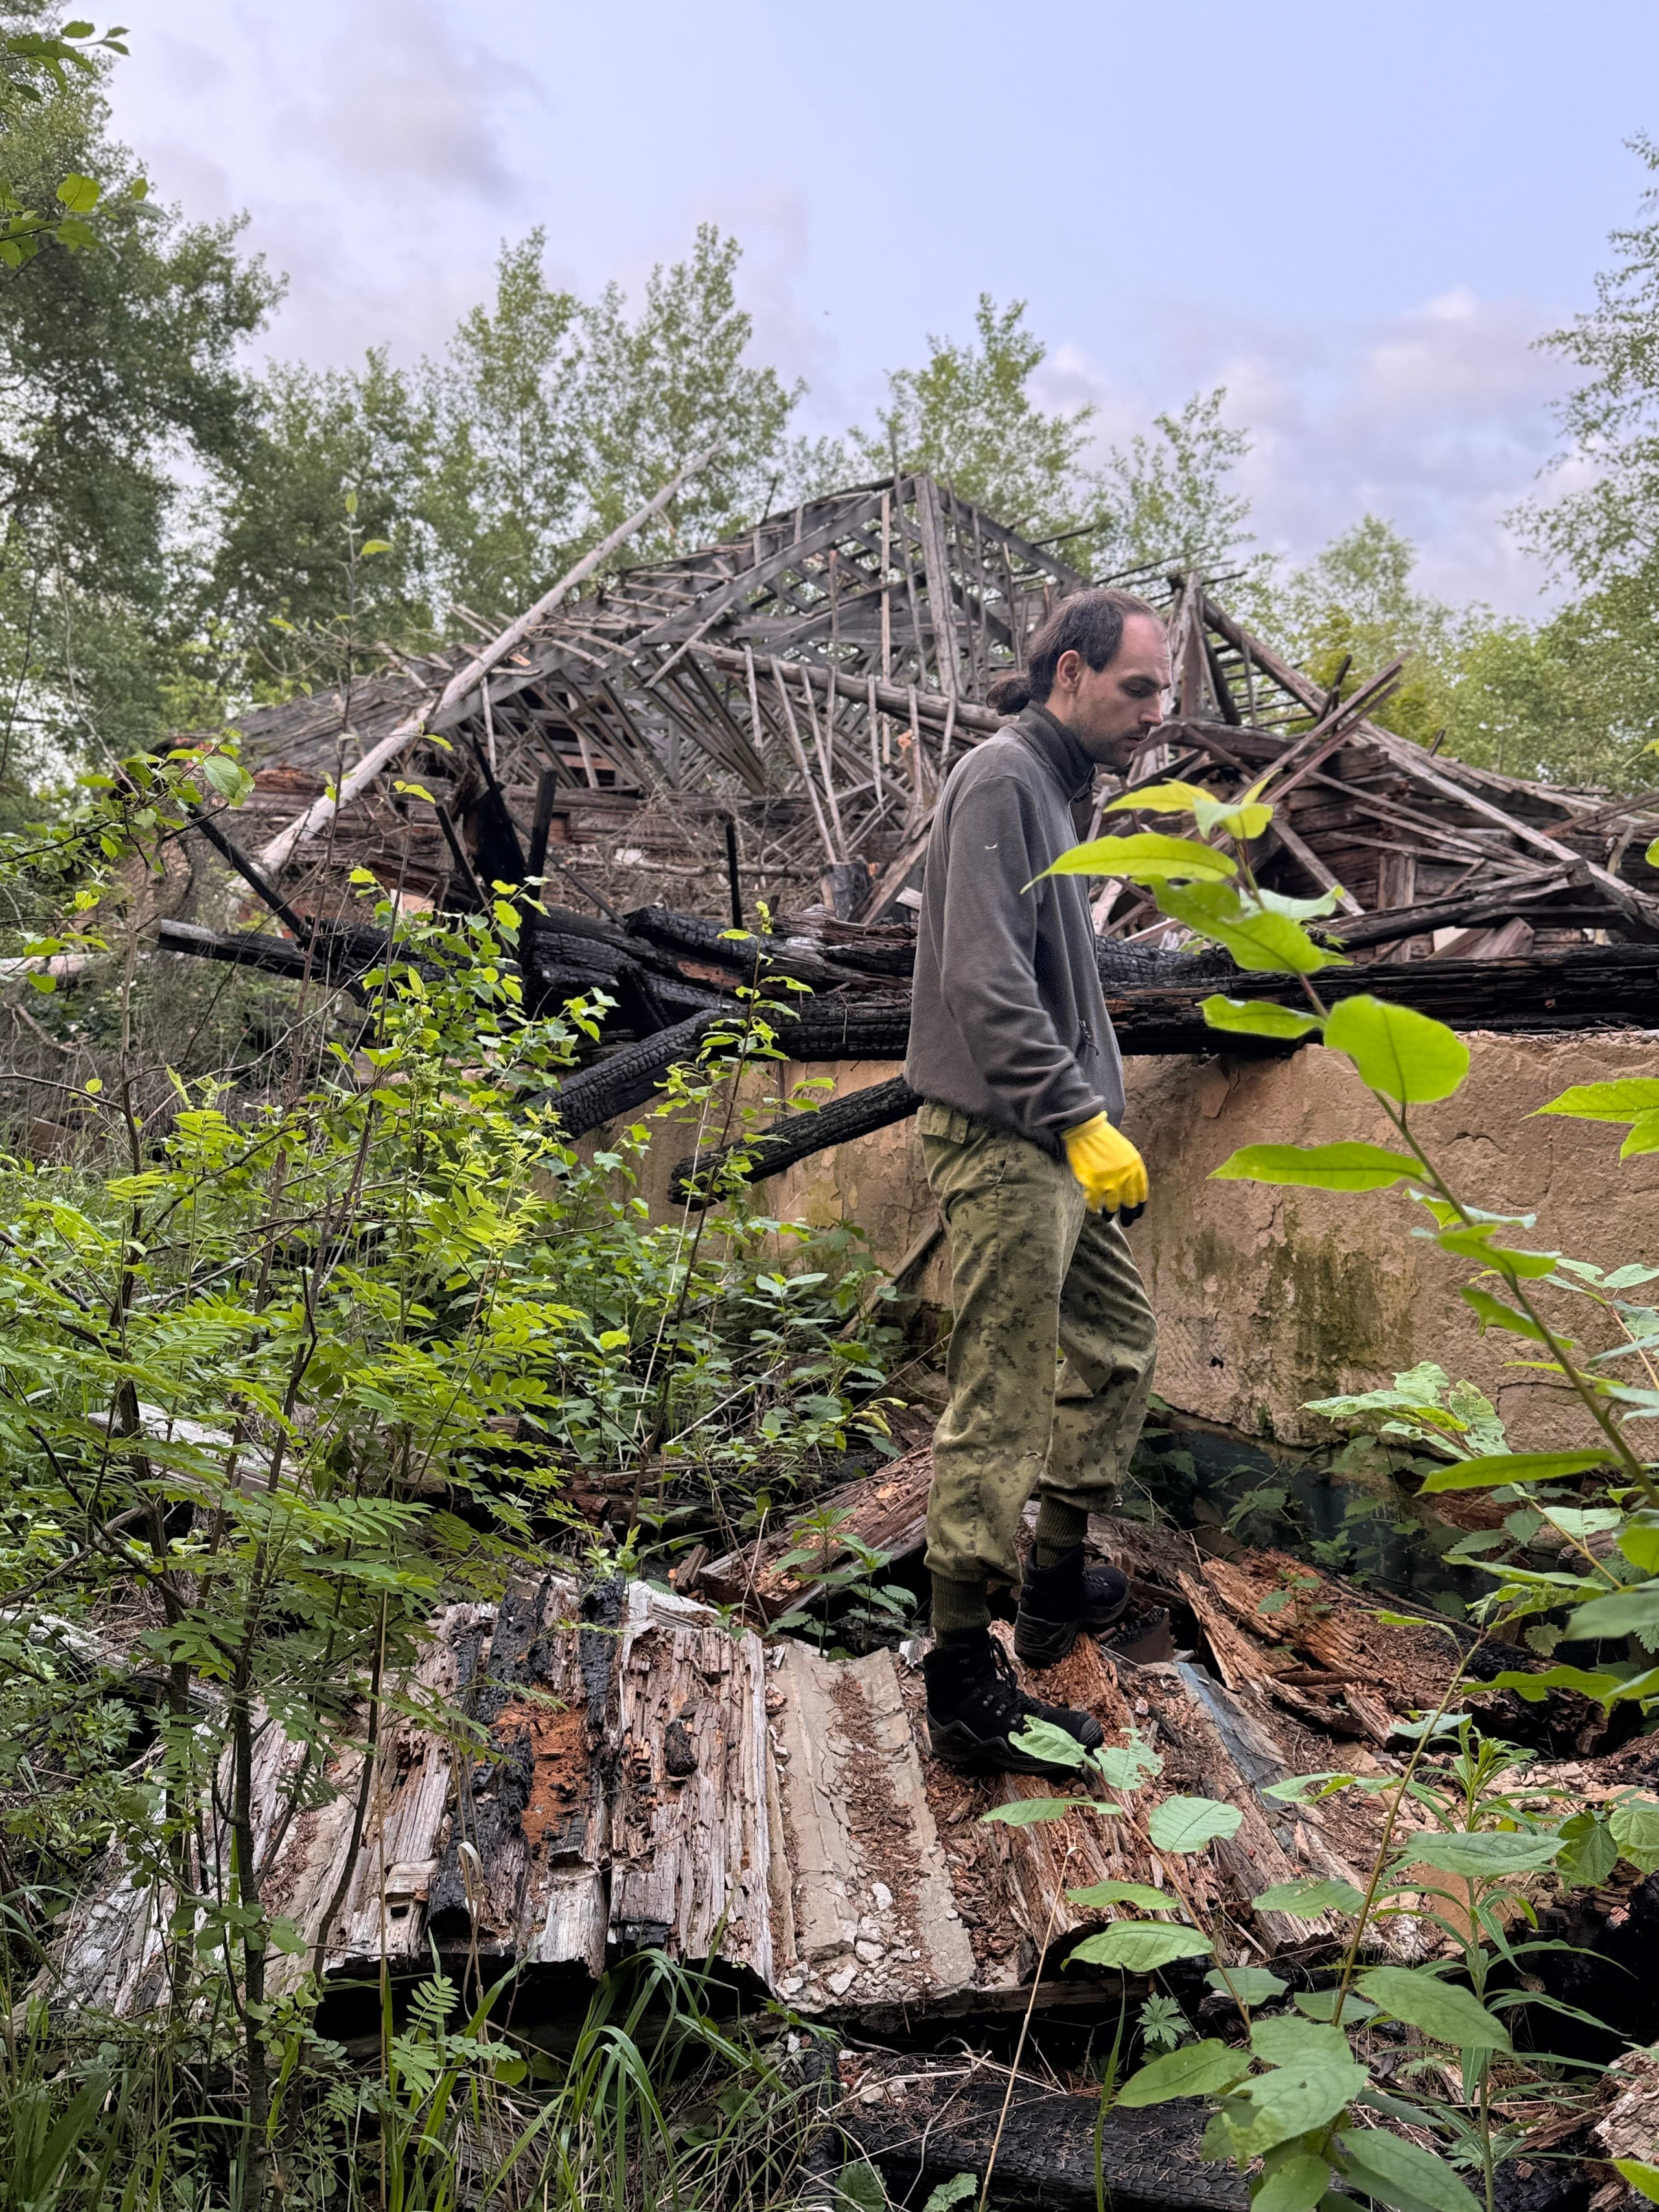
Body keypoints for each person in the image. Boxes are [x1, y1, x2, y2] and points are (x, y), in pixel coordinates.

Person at [904, 587, 1170, 1776]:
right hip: (1011, 1139)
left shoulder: (1063, 795)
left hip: (1061, 1140)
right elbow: (982, 976)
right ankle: (963, 1677)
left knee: (1117, 1345)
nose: (1155, 713)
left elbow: (1052, 977)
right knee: (1002, 1395)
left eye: (1162, 692)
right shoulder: (1007, 779)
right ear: (1071, 672)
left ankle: (1055, 1576)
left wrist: (1089, 1118)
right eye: (1138, 689)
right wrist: (1077, 1113)